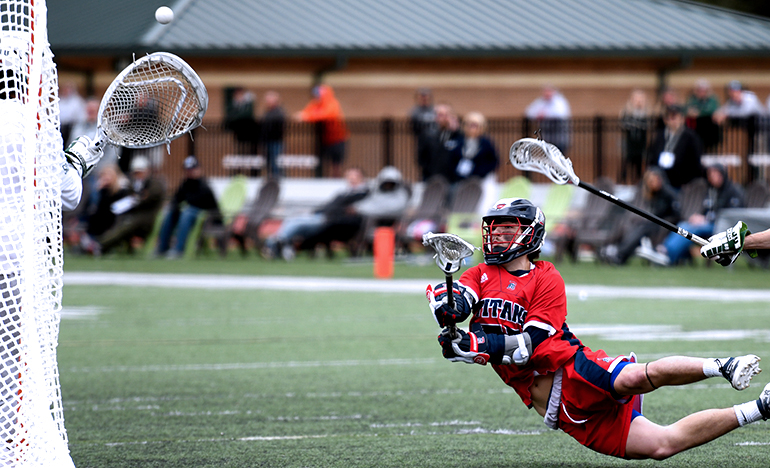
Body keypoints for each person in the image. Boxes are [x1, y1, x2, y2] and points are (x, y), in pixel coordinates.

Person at [426, 197, 770, 460]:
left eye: (507, 228)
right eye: (495, 228)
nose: (497, 234)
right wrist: (450, 322)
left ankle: (723, 365)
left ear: (529, 233)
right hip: (556, 409)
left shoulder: (546, 277)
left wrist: (477, 343)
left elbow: (528, 346)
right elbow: (459, 302)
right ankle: (762, 408)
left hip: (570, 369)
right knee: (662, 446)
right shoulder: (479, 274)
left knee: (632, 378)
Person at [638, 164, 745, 266]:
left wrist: (707, 219)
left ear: (722, 174)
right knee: (684, 224)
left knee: (690, 229)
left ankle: (667, 255)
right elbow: (707, 209)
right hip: (708, 223)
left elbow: (732, 214)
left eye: (715, 174)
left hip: (722, 227)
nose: (712, 177)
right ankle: (665, 251)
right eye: (710, 175)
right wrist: (699, 217)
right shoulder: (712, 191)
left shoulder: (733, 191)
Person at [262, 167, 369, 260]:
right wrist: (312, 212)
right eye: (349, 176)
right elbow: (328, 206)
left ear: (361, 177)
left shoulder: (363, 194)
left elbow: (352, 211)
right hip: (322, 216)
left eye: (354, 176)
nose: (351, 178)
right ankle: (278, 242)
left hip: (331, 220)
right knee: (292, 219)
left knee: (297, 224)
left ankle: (273, 244)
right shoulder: (345, 192)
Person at [85, 155, 165, 255]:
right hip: (131, 214)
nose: (138, 175)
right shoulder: (133, 183)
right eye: (136, 172)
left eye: (140, 172)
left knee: (126, 225)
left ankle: (100, 244)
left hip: (145, 217)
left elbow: (148, 198)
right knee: (115, 220)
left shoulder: (154, 183)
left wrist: (138, 198)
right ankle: (100, 244)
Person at [602, 168, 680, 265]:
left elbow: (674, 214)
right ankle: (619, 253)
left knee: (641, 229)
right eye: (650, 181)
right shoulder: (654, 194)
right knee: (636, 227)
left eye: (654, 181)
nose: (652, 184)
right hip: (655, 222)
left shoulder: (667, 194)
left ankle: (620, 254)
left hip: (665, 224)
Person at [155, 156, 220, 259]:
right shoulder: (185, 184)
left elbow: (202, 204)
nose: (190, 172)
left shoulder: (204, 185)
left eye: (193, 169)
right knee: (171, 213)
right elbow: (177, 198)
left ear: (199, 169)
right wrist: (174, 206)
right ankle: (162, 248)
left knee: (186, 213)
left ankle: (178, 249)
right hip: (192, 215)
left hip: (207, 218)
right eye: (188, 170)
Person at [295, 84, 349, 178]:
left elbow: (326, 114)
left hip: (338, 139)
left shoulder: (332, 103)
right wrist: (304, 115)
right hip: (324, 139)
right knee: (322, 162)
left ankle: (335, 180)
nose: (316, 97)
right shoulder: (315, 103)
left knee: (336, 164)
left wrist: (307, 117)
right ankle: (323, 179)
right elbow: (307, 112)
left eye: (318, 95)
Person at [646, 105, 704, 190]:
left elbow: (696, 161)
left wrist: (688, 180)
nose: (673, 121)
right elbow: (652, 155)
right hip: (661, 182)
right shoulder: (660, 136)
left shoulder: (690, 137)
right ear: (665, 120)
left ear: (682, 119)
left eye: (675, 117)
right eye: (670, 118)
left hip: (681, 183)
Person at [80, 164, 130, 244]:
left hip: (114, 221)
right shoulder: (103, 190)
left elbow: (113, 209)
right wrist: (98, 190)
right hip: (102, 220)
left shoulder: (122, 190)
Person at [417, 103, 463, 182]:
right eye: (440, 115)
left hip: (453, 179)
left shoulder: (457, 135)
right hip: (432, 178)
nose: (443, 118)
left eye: (446, 115)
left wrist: (456, 131)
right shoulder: (428, 135)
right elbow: (421, 158)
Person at [525, 84, 571, 154]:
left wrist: (545, 115)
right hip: (546, 136)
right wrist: (538, 115)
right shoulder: (541, 102)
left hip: (558, 136)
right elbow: (529, 112)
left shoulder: (559, 102)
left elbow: (561, 113)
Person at [455, 112, 498, 182]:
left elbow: (493, 161)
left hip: (481, 178)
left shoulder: (486, 143)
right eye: (470, 125)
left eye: (475, 125)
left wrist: (481, 171)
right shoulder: (459, 141)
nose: (472, 128)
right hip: (462, 178)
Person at [619, 89, 650, 184]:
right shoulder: (627, 112)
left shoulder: (645, 114)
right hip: (629, 144)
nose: (638, 102)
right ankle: (622, 182)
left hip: (640, 145)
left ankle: (638, 183)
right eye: (636, 99)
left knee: (639, 166)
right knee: (626, 165)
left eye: (640, 99)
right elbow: (623, 125)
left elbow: (647, 126)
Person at [685, 79, 721, 150]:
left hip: (710, 129)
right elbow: (687, 110)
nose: (701, 92)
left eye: (704, 90)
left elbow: (713, 110)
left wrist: (699, 113)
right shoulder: (692, 100)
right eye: (699, 90)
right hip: (696, 129)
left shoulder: (712, 100)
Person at [261, 91, 285, 177]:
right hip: (268, 141)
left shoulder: (278, 112)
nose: (267, 102)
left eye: (269, 100)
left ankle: (278, 180)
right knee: (270, 163)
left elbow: (275, 127)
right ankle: (272, 180)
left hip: (275, 141)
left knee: (276, 164)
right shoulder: (268, 112)